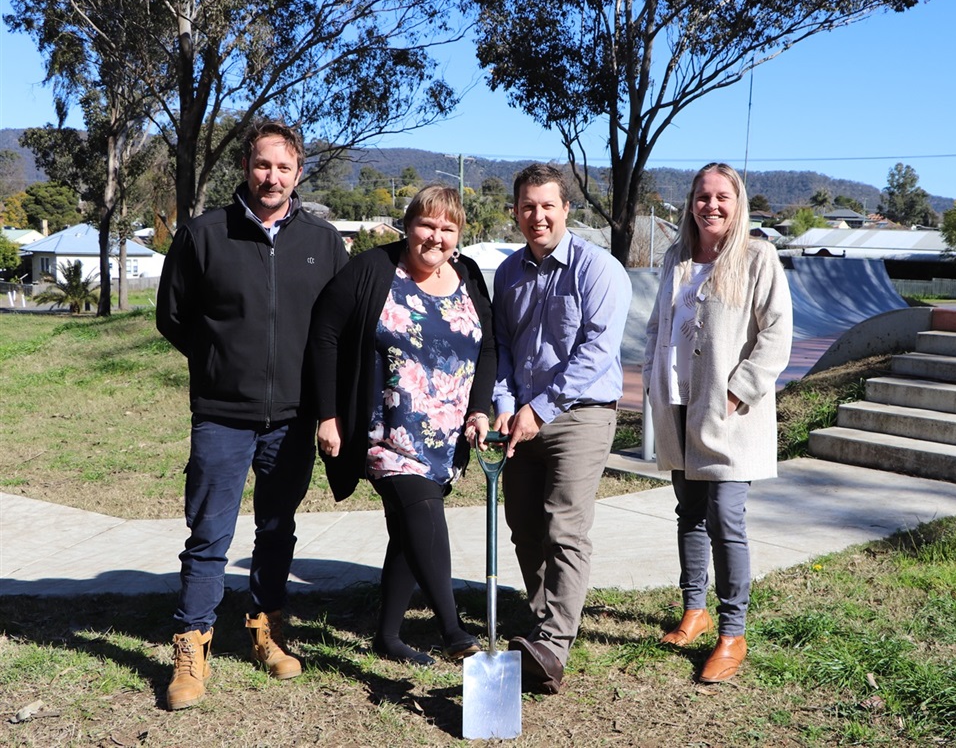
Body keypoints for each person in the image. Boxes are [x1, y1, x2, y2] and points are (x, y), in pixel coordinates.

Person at [156, 120, 349, 710]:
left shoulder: (324, 242)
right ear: (246, 167)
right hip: (221, 413)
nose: (272, 177)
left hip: (293, 416)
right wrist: (221, 362)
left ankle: (265, 627)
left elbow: (335, 330)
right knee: (210, 533)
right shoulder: (202, 235)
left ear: (298, 173)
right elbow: (173, 317)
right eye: (263, 165)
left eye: (284, 168)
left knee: (276, 528)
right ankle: (192, 645)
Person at [306, 185, 495, 666]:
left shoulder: (469, 274)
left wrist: (478, 409)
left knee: (410, 532)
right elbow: (325, 332)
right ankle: (454, 632)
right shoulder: (373, 270)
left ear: (459, 234)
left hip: (448, 435)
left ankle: (388, 636)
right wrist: (327, 415)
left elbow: (487, 347)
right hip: (388, 432)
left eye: (447, 228)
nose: (436, 236)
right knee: (424, 517)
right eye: (427, 225)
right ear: (408, 225)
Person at [642, 162, 793, 684]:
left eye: (722, 196)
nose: (711, 205)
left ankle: (732, 632)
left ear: (737, 201)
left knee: (726, 516)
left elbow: (776, 334)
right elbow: (659, 324)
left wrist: (737, 391)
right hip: (678, 405)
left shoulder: (757, 257)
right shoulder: (675, 259)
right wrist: (651, 378)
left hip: (729, 412)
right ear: (690, 203)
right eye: (702, 195)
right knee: (689, 511)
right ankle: (694, 609)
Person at [492, 163, 632, 694]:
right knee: (524, 524)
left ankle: (554, 643)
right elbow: (503, 346)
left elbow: (596, 353)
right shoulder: (507, 273)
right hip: (522, 417)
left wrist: (539, 409)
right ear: (516, 212)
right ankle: (542, 620)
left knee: (563, 525)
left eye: (547, 205)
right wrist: (506, 402)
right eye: (528, 206)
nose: (537, 216)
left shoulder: (599, 269)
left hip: (581, 413)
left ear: (566, 209)